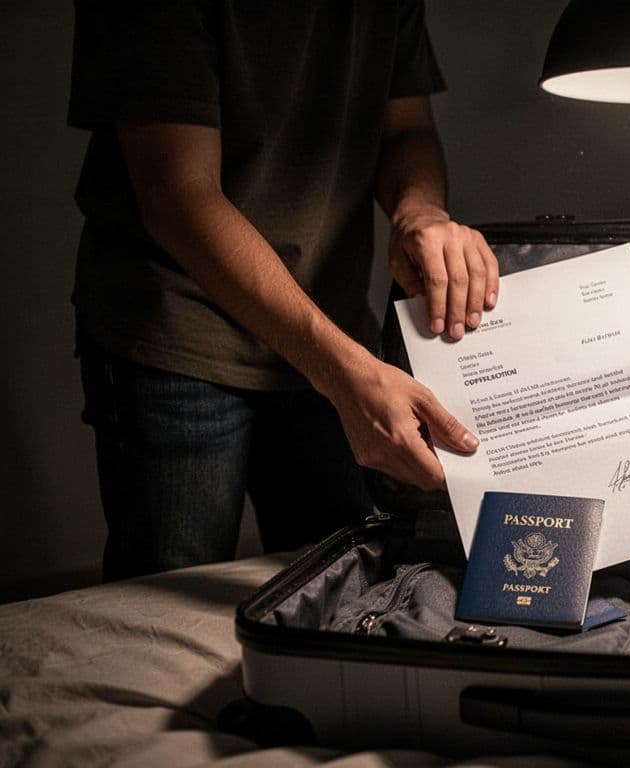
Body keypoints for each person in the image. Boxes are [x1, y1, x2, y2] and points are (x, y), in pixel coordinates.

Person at [68, 1, 495, 581]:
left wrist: (417, 210)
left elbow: (408, 127)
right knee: (167, 605)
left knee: (343, 589)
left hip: (331, 328)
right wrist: (346, 372)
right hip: (179, 335)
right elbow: (177, 195)